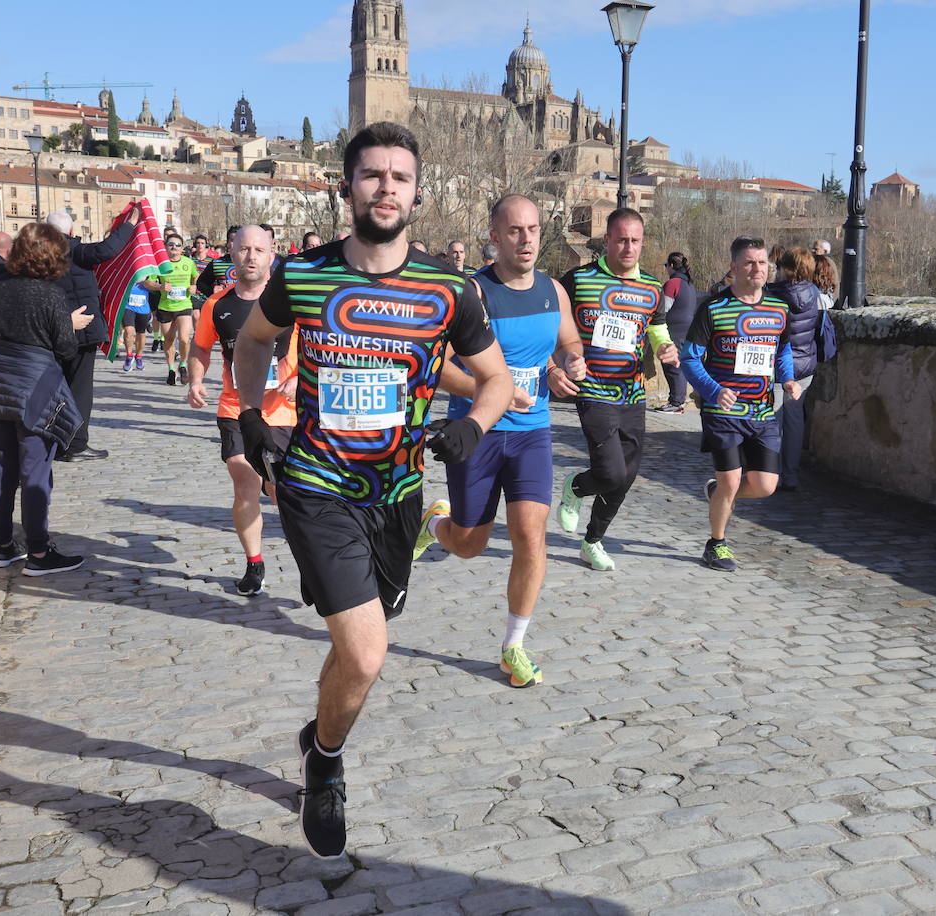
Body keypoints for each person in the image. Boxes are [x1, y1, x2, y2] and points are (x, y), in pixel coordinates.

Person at [230, 121, 512, 859]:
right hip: (316, 484)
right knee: (365, 654)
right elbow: (253, 340)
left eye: (400, 177)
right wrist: (253, 415)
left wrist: (473, 427)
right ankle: (325, 765)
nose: (386, 188)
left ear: (417, 193)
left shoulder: (449, 289)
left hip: (398, 497)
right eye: (372, 174)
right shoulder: (302, 274)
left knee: (361, 639)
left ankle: (317, 732)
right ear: (347, 186)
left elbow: (495, 380)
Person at [414, 194, 586, 688]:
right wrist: (493, 390)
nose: (526, 239)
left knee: (531, 536)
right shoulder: (472, 292)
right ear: (494, 238)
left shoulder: (553, 290)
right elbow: (437, 366)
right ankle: (437, 523)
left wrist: (568, 362)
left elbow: (568, 340)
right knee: (470, 544)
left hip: (532, 434)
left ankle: (514, 645)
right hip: (478, 431)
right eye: (514, 231)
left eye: (533, 229)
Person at [0, 224, 92, 575]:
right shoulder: (51, 295)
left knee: (1, 468)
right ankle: (39, 553)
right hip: (34, 386)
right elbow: (66, 348)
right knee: (35, 471)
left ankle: (3, 546)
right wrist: (70, 324)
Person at [554, 208, 677, 571]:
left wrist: (665, 348)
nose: (628, 247)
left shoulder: (652, 288)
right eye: (621, 240)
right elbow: (551, 326)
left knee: (627, 476)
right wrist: (558, 363)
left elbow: (657, 330)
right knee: (610, 472)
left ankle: (592, 541)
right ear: (606, 240)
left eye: (635, 241)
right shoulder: (578, 280)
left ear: (643, 243)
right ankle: (576, 488)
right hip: (593, 389)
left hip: (632, 393)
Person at [187, 226, 296, 596]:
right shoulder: (217, 305)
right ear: (231, 254)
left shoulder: (290, 301)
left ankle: (310, 557)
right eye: (244, 249)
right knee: (243, 475)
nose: (251, 256)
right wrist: (195, 380)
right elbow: (201, 347)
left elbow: (317, 347)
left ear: (271, 255)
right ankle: (254, 563)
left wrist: (300, 379)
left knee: (281, 490)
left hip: (282, 411)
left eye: (259, 250)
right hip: (236, 406)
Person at [681, 236, 801, 571]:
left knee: (765, 485)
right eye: (749, 262)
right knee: (731, 480)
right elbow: (689, 358)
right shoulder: (713, 309)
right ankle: (716, 544)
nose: (757, 269)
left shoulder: (779, 309)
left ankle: (717, 494)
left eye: (762, 262)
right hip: (723, 411)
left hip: (762, 410)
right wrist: (713, 390)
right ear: (734, 267)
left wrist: (788, 379)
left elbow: (782, 350)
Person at [47, 208, 138, 461]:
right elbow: (107, 249)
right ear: (71, 230)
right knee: (80, 389)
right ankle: (75, 445)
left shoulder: (39, 255)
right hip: (82, 329)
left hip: (52, 329)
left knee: (58, 387)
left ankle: (56, 442)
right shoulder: (74, 250)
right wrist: (129, 225)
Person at [767, 247, 822, 490]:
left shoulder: (772, 294)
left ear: (787, 269)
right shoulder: (813, 292)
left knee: (773, 420)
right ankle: (791, 474)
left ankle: (772, 472)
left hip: (779, 364)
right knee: (795, 419)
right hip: (805, 364)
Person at [143, 232, 198, 386]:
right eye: (171, 244)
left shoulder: (188, 262)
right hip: (165, 307)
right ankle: (171, 369)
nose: (174, 247)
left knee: (184, 338)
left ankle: (183, 365)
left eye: (178, 245)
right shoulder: (160, 264)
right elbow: (147, 283)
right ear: (166, 247)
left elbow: (196, 276)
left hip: (184, 305)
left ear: (182, 248)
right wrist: (160, 286)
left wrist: (194, 286)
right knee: (168, 340)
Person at [654, 251, 696, 413]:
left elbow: (662, 309)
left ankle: (676, 402)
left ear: (671, 265)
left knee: (672, 363)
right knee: (679, 363)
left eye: (666, 265)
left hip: (674, 328)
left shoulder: (673, 283)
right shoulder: (689, 283)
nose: (666, 269)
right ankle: (678, 400)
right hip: (687, 328)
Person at [118, 278, 153, 371]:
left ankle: (139, 357)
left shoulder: (148, 272)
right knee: (128, 330)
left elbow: (153, 285)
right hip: (127, 306)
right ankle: (129, 356)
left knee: (140, 333)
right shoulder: (125, 271)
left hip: (143, 307)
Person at [196, 225, 239, 299]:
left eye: (239, 240)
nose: (236, 243)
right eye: (232, 240)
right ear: (227, 243)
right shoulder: (217, 263)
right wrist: (212, 291)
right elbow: (200, 283)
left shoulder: (251, 263)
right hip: (224, 303)